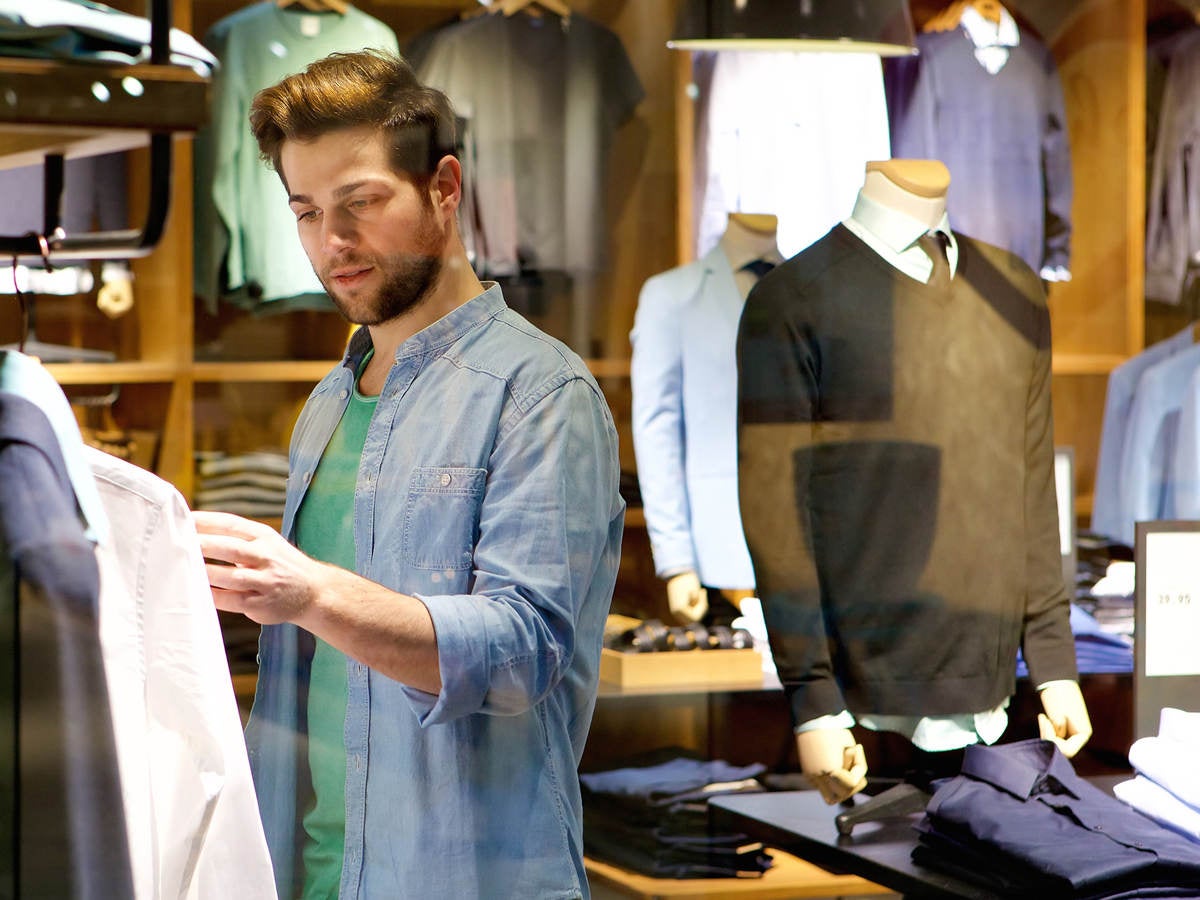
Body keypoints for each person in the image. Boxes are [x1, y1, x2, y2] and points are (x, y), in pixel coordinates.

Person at [193, 49, 625, 900]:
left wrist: (311, 592)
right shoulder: (327, 400)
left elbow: (520, 651)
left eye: (360, 203)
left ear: (444, 188)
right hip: (307, 873)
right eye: (308, 212)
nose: (333, 242)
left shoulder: (541, 394)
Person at [737, 159, 1091, 804]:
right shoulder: (794, 298)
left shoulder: (1014, 285)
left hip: (1001, 694)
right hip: (864, 709)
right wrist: (814, 699)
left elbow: (1033, 485)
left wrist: (1054, 660)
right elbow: (775, 516)